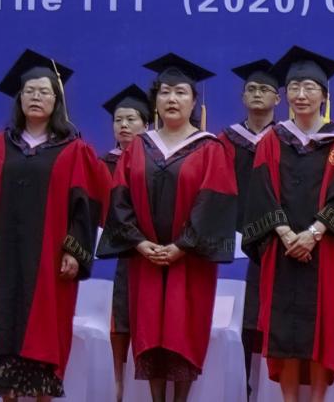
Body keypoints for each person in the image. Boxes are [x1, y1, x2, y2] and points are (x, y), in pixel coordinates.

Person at [0, 50, 111, 402]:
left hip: (49, 259)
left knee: (44, 330)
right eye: (29, 91)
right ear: (19, 98)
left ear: (56, 100)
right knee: (3, 325)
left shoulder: (73, 150)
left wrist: (74, 250)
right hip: (3, 256)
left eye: (44, 91)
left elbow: (85, 206)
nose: (36, 97)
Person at [98, 54, 239, 402]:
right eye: (164, 92)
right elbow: (120, 199)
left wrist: (182, 245)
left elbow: (213, 204)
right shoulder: (138, 148)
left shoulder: (210, 148)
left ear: (193, 102)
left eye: (180, 92)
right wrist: (139, 243)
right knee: (150, 334)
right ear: (155, 101)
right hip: (145, 259)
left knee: (182, 332)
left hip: (189, 261)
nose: (172, 99)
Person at [241, 46, 334, 402]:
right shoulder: (272, 140)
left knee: (322, 330)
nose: (301, 94)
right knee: (283, 331)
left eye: (309, 87)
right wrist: (284, 234)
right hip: (280, 253)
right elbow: (262, 191)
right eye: (294, 87)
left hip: (325, 251)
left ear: (324, 95)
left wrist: (313, 234)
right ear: (285, 96)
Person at [224, 57, 279, 382]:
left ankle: (265, 385)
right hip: (233, 239)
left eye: (265, 89)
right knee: (237, 314)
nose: (257, 94)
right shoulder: (225, 141)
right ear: (243, 97)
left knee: (268, 311)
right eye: (252, 89)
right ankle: (237, 383)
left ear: (278, 99)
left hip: (275, 239)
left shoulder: (288, 141)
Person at [100, 83, 152, 400]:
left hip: (146, 251)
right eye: (118, 120)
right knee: (117, 317)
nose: (124, 125)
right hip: (115, 251)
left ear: (146, 124)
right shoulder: (103, 163)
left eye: (131, 119)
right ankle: (116, 384)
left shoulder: (155, 163)